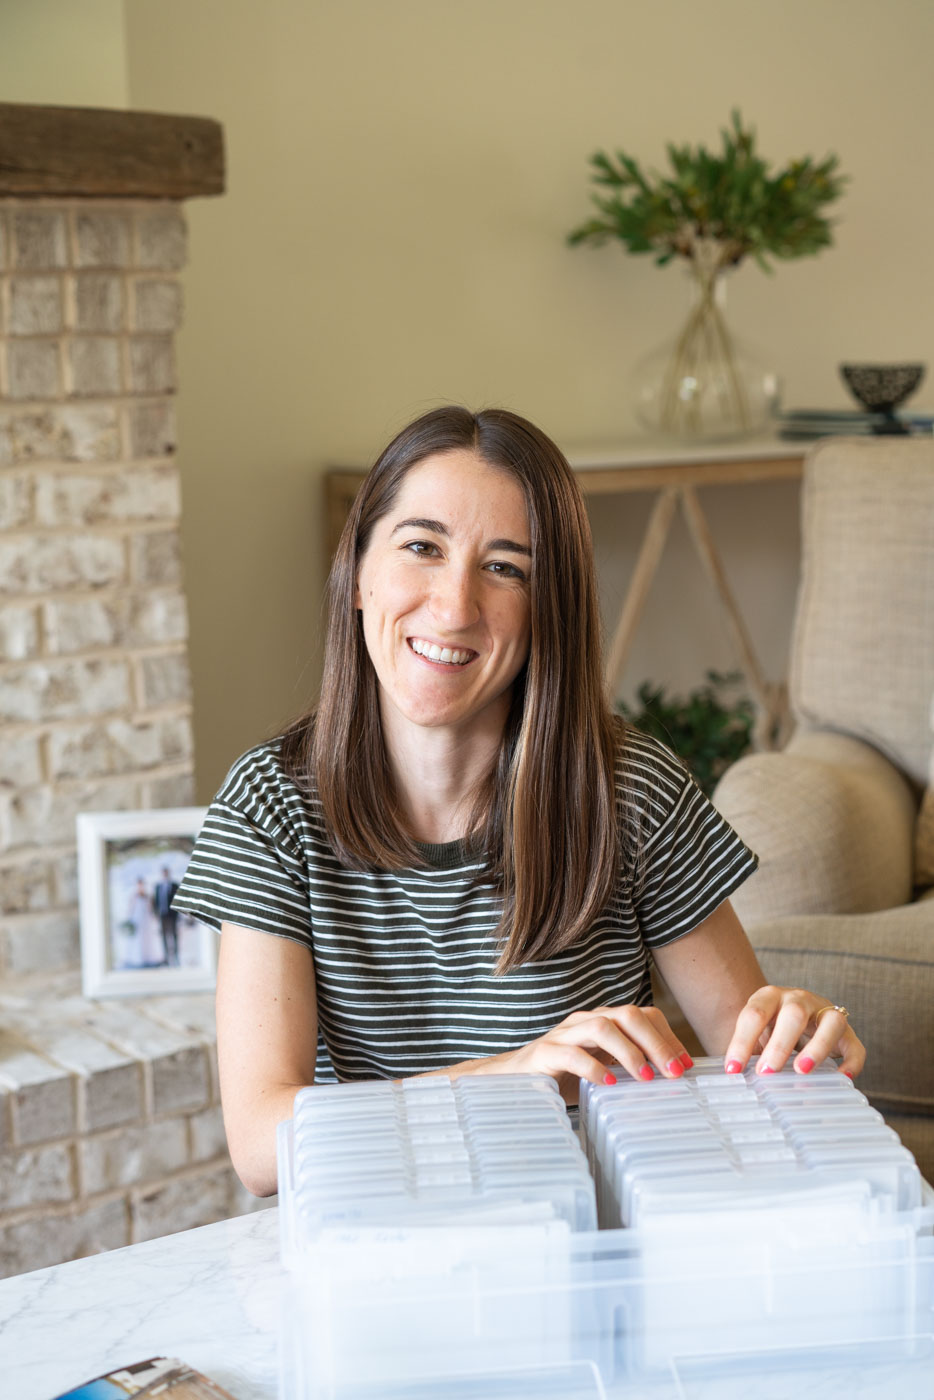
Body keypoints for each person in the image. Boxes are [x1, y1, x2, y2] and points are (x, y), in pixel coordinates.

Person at [174, 405, 864, 1197]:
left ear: (548, 612)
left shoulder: (629, 788)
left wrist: (800, 1050)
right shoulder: (268, 807)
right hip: (373, 1232)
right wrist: (516, 1073)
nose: (456, 605)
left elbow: (758, 1069)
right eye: (422, 547)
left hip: (589, 1230)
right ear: (360, 574)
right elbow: (261, 1147)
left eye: (505, 567)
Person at [153, 866, 180, 966]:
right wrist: (155, 914)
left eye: (166, 873)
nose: (165, 875)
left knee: (174, 935)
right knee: (164, 937)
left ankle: (176, 957)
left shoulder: (174, 885)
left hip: (172, 915)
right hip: (162, 915)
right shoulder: (158, 886)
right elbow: (156, 901)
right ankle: (166, 957)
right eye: (163, 873)